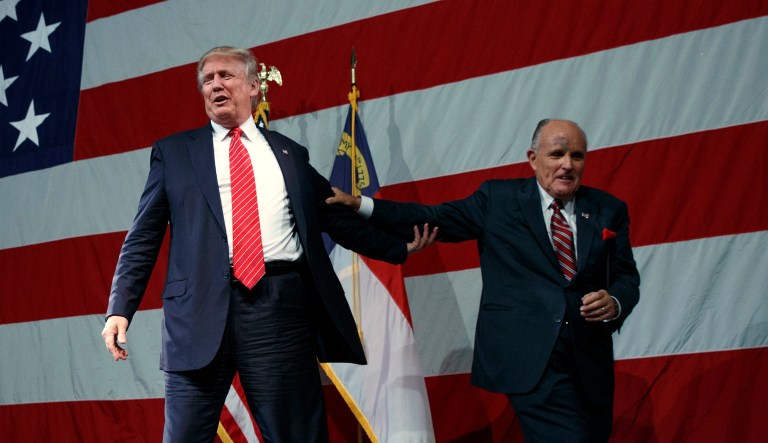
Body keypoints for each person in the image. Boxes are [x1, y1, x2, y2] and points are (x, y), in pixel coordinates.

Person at [100, 46, 434, 443]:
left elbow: (333, 217)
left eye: (226, 75)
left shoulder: (289, 154)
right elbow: (143, 235)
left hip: (279, 309)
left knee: (296, 435)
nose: (215, 84)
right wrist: (119, 309)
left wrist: (396, 247)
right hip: (197, 314)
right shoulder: (174, 153)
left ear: (254, 86)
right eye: (207, 79)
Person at [328, 119, 640, 442]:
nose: (567, 165)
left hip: (590, 365)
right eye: (557, 154)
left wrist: (614, 302)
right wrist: (362, 205)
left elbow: (626, 278)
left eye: (577, 156)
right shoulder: (498, 201)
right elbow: (435, 218)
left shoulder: (608, 210)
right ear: (533, 159)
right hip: (530, 360)